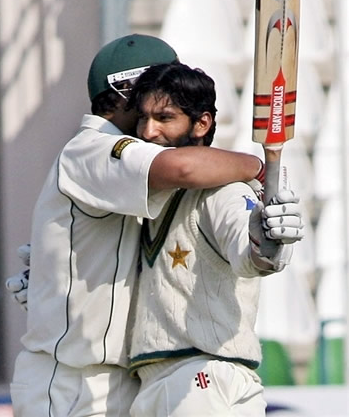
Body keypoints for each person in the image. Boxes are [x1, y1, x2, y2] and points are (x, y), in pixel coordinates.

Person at [7, 34, 265, 417]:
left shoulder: (129, 166)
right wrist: (262, 168)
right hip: (69, 383)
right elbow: (186, 166)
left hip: (118, 381)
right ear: (125, 93)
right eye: (154, 90)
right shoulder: (92, 148)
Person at [123, 62, 304, 417]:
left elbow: (252, 255)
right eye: (143, 118)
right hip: (172, 380)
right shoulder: (144, 194)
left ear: (201, 124)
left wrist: (269, 241)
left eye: (164, 118)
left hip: (199, 376)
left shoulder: (223, 192)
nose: (148, 131)